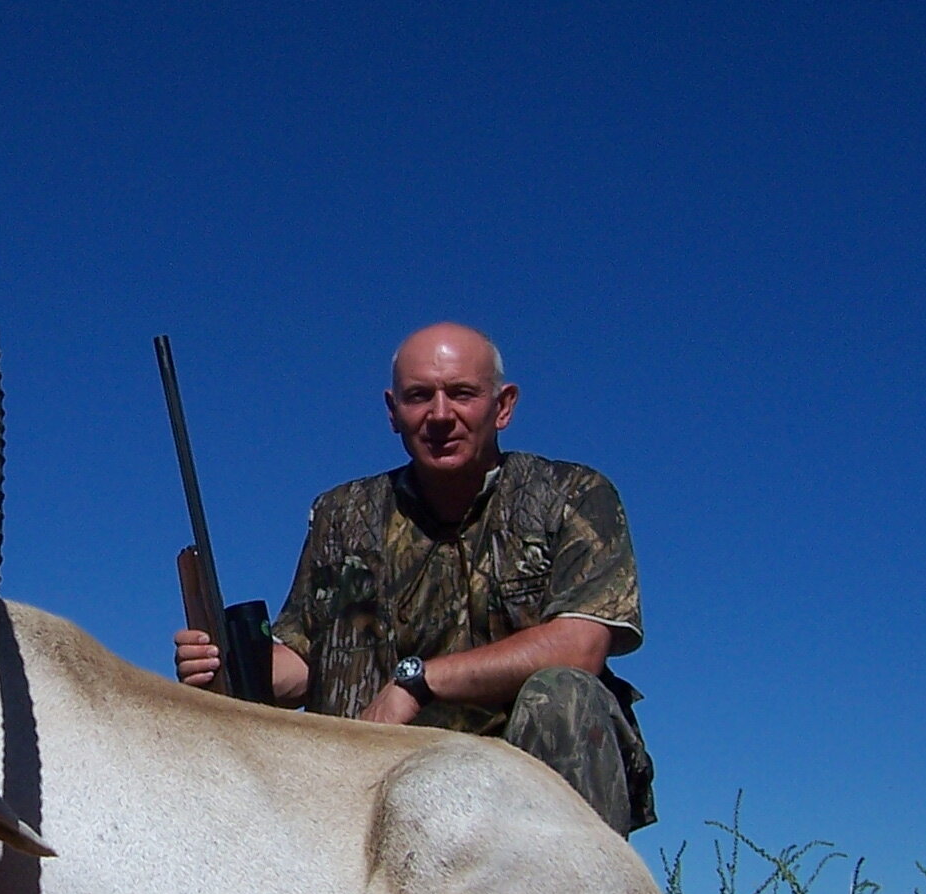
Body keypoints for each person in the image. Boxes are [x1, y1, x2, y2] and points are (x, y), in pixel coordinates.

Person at [174, 323, 655, 834]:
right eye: (420, 396)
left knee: (566, 696)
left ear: (504, 406)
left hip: (520, 791)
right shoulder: (344, 515)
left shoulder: (572, 495)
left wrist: (416, 682)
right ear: (393, 411)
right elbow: (309, 658)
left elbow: (580, 645)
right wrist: (226, 664)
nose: (441, 415)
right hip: (375, 778)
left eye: (462, 394)